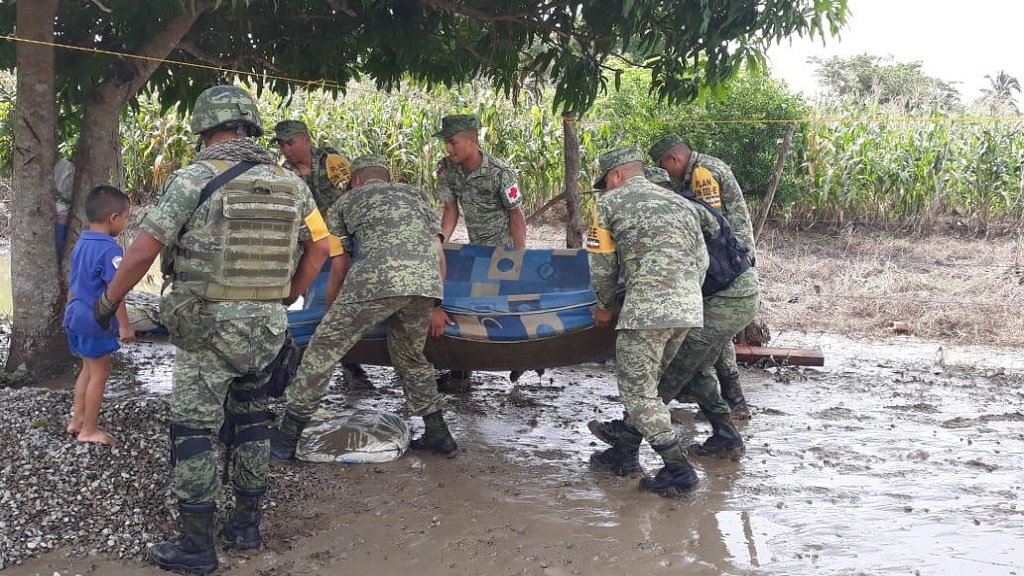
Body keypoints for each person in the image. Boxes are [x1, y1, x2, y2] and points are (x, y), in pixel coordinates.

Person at [94, 85, 330, 574]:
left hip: (206, 325)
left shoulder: (194, 177)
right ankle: (246, 526)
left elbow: (143, 249)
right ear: (252, 127)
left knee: (195, 429)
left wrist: (108, 300)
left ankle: (197, 548)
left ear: (206, 128)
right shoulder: (293, 185)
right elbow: (322, 249)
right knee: (251, 421)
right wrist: (286, 294)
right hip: (266, 326)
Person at [270, 155, 458, 461]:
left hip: (375, 281)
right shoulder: (417, 196)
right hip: (425, 284)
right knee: (410, 357)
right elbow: (437, 252)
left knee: (323, 348)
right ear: (386, 176)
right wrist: (435, 302)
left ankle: (287, 435)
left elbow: (340, 267)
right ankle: (439, 434)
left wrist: (332, 316)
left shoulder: (345, 202)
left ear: (356, 180)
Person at [596, 166, 755, 460]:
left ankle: (631, 446)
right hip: (714, 298)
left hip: (726, 297)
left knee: (669, 375)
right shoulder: (682, 210)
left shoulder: (681, 211)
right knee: (695, 369)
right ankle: (726, 435)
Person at [584, 146, 708, 497]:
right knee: (649, 389)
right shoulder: (683, 204)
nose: (605, 188)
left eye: (606, 181)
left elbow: (602, 265)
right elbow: (701, 262)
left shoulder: (608, 204)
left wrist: (605, 306)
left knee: (638, 394)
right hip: (687, 311)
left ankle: (678, 470)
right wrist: (683, 298)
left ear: (618, 175)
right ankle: (623, 455)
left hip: (646, 312)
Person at [648, 134, 758, 419]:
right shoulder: (700, 169)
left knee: (711, 334)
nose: (667, 173)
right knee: (715, 335)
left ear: (673, 159)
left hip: (726, 265)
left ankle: (733, 401)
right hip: (729, 261)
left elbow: (709, 224)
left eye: (664, 165)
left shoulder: (702, 174)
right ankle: (723, 399)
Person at [271, 119, 369, 387]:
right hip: (311, 247)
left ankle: (353, 367)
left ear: (305, 139)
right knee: (311, 301)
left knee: (342, 302)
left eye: (290, 143)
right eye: (281, 144)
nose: (286, 149)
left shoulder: (331, 160)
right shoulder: (284, 174)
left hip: (344, 242)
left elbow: (354, 193)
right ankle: (292, 362)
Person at [434, 113, 528, 390]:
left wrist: (519, 255)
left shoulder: (501, 172)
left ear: (472, 140)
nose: (449, 149)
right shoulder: (447, 171)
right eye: (446, 144)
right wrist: (440, 241)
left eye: (453, 142)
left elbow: (516, 215)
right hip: (474, 252)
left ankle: (527, 357)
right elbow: (450, 210)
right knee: (460, 308)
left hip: (502, 252)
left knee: (508, 311)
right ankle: (460, 374)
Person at [63, 185, 135, 445]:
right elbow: (116, 292)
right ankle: (89, 430)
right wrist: (124, 326)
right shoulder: (110, 250)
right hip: (96, 319)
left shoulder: (81, 243)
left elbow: (74, 284)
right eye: (127, 217)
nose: (125, 223)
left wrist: (70, 314)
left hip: (74, 314)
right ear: (113, 218)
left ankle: (77, 420)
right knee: (101, 372)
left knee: (87, 368)